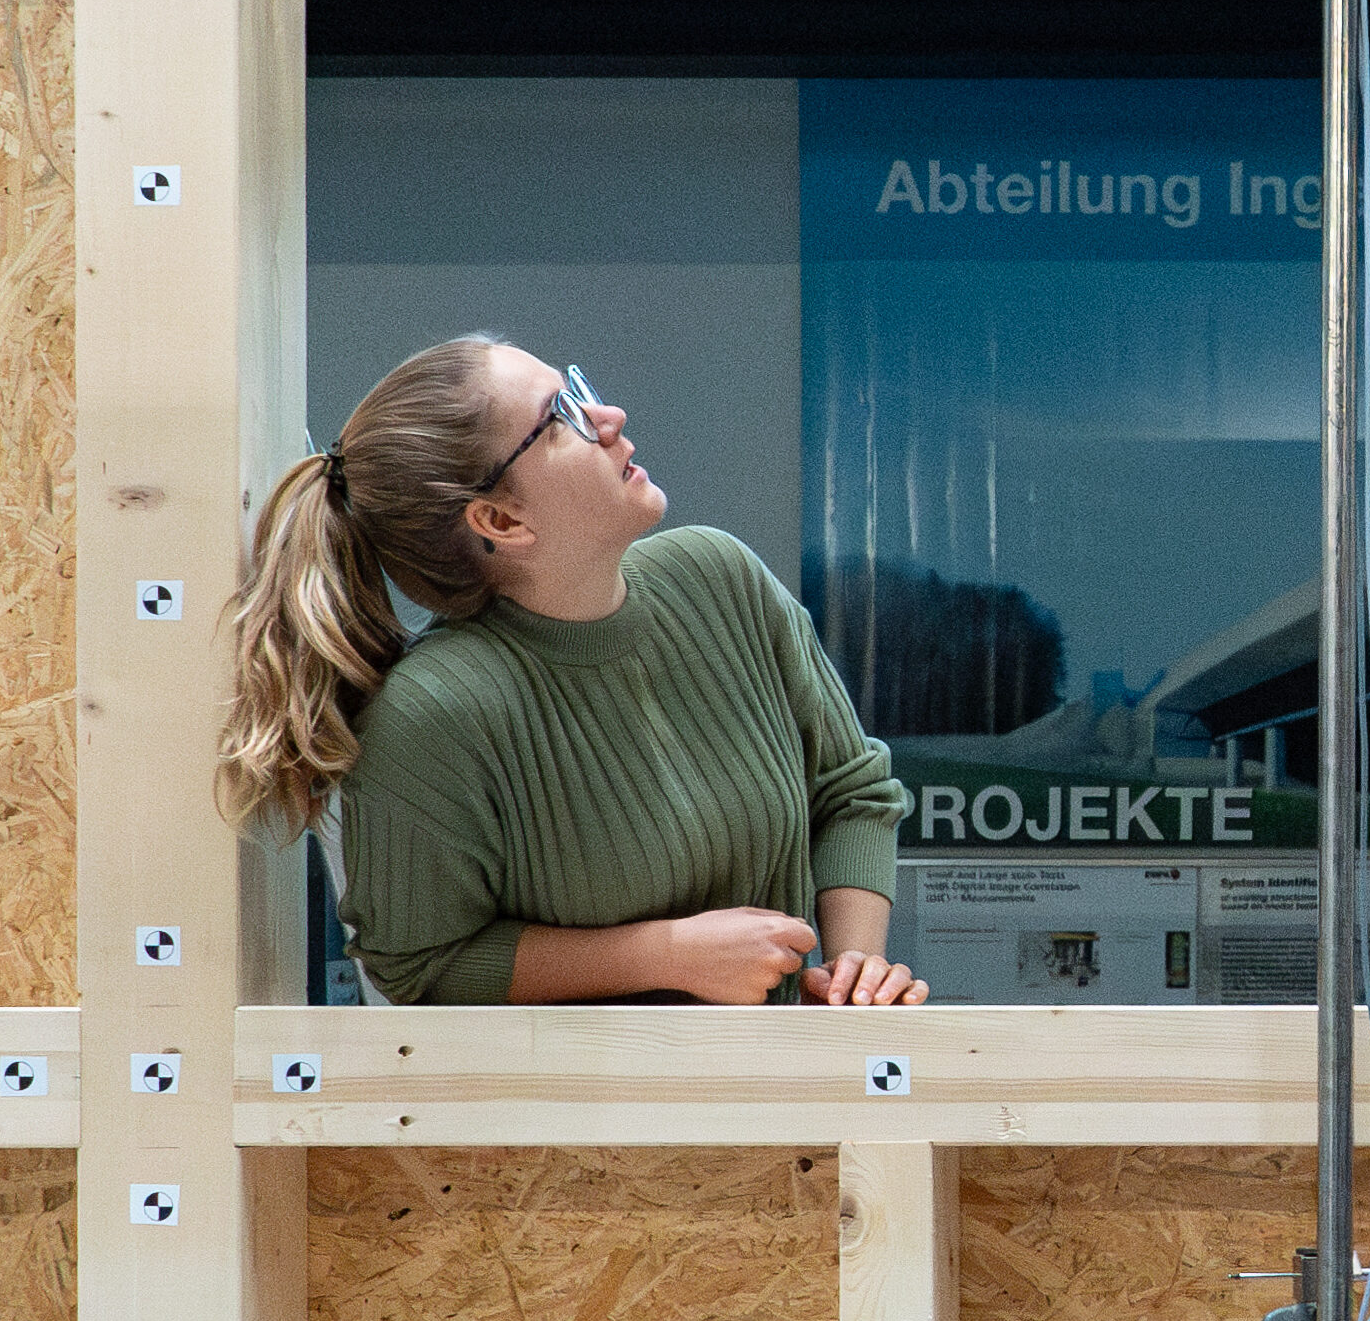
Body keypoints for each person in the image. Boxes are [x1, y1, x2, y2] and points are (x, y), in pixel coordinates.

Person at [217, 334, 925, 1006]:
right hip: (578, 1127)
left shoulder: (724, 576)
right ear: (498, 521)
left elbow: (850, 789)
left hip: (785, 1108)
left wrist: (852, 973)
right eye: (560, 418)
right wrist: (664, 953)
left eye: (576, 388)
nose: (607, 416)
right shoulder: (430, 714)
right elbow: (421, 965)